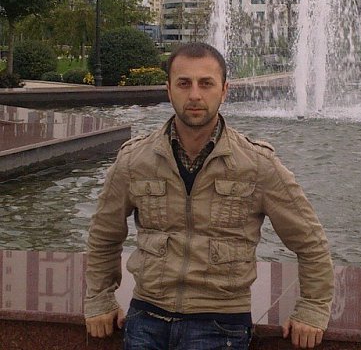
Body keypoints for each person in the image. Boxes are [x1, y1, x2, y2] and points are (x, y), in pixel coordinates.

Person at [85, 42, 334, 349]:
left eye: (206, 84)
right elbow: (104, 236)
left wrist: (312, 309)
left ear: (224, 90)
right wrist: (99, 300)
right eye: (184, 83)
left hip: (221, 325)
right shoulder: (134, 160)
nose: (194, 95)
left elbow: (310, 241)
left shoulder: (257, 165)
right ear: (169, 90)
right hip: (146, 319)